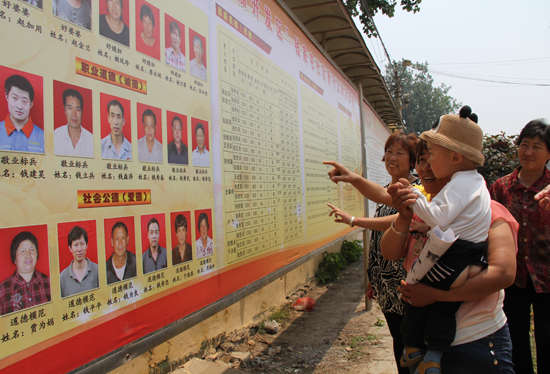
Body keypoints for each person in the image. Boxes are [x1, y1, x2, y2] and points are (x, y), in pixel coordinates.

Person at [380, 139, 517, 374]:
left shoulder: (486, 211)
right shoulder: (425, 211)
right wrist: (403, 216)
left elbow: (502, 274)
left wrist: (436, 295)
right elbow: (390, 253)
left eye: (432, 159)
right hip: (423, 351)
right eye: (422, 159)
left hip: (476, 345)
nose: (426, 167)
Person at [394, 106, 491, 372]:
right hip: (470, 254)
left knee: (413, 290)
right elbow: (454, 221)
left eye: (432, 155)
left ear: (456, 158)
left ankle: (414, 348)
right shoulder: (475, 182)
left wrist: (414, 197)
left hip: (457, 255)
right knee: (440, 306)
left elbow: (440, 217)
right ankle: (433, 356)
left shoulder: (460, 183)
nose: (428, 163)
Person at [325, 131, 420, 374]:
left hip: (405, 282)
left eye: (400, 153)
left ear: (412, 160)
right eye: (389, 151)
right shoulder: (391, 188)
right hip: (386, 281)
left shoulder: (417, 188)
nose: (392, 157)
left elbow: (396, 221)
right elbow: (378, 192)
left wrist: (354, 219)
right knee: (400, 345)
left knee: (412, 348)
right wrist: (374, 277)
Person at [489, 119, 550, 374]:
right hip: (512, 278)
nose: (528, 151)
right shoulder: (501, 187)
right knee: (515, 339)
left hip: (547, 278)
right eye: (524, 144)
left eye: (537, 146)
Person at [0, 231, 50, 315]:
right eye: (23, 251)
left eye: (32, 250)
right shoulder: (3, 289)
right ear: (14, 258)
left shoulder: (49, 283)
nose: (28, 255)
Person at [0, 74, 44, 153]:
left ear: (31, 104)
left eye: (24, 101)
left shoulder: (43, 137)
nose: (19, 106)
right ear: (7, 97)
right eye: (15, 98)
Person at [59, 226, 99, 298]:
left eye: (82, 243)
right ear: (70, 248)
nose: (79, 249)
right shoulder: (62, 277)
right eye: (76, 244)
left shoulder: (97, 270)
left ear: (86, 245)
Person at [54, 89, 94, 157]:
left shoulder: (91, 139)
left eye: (77, 109)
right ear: (64, 110)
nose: (74, 114)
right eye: (70, 108)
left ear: (82, 112)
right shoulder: (56, 136)